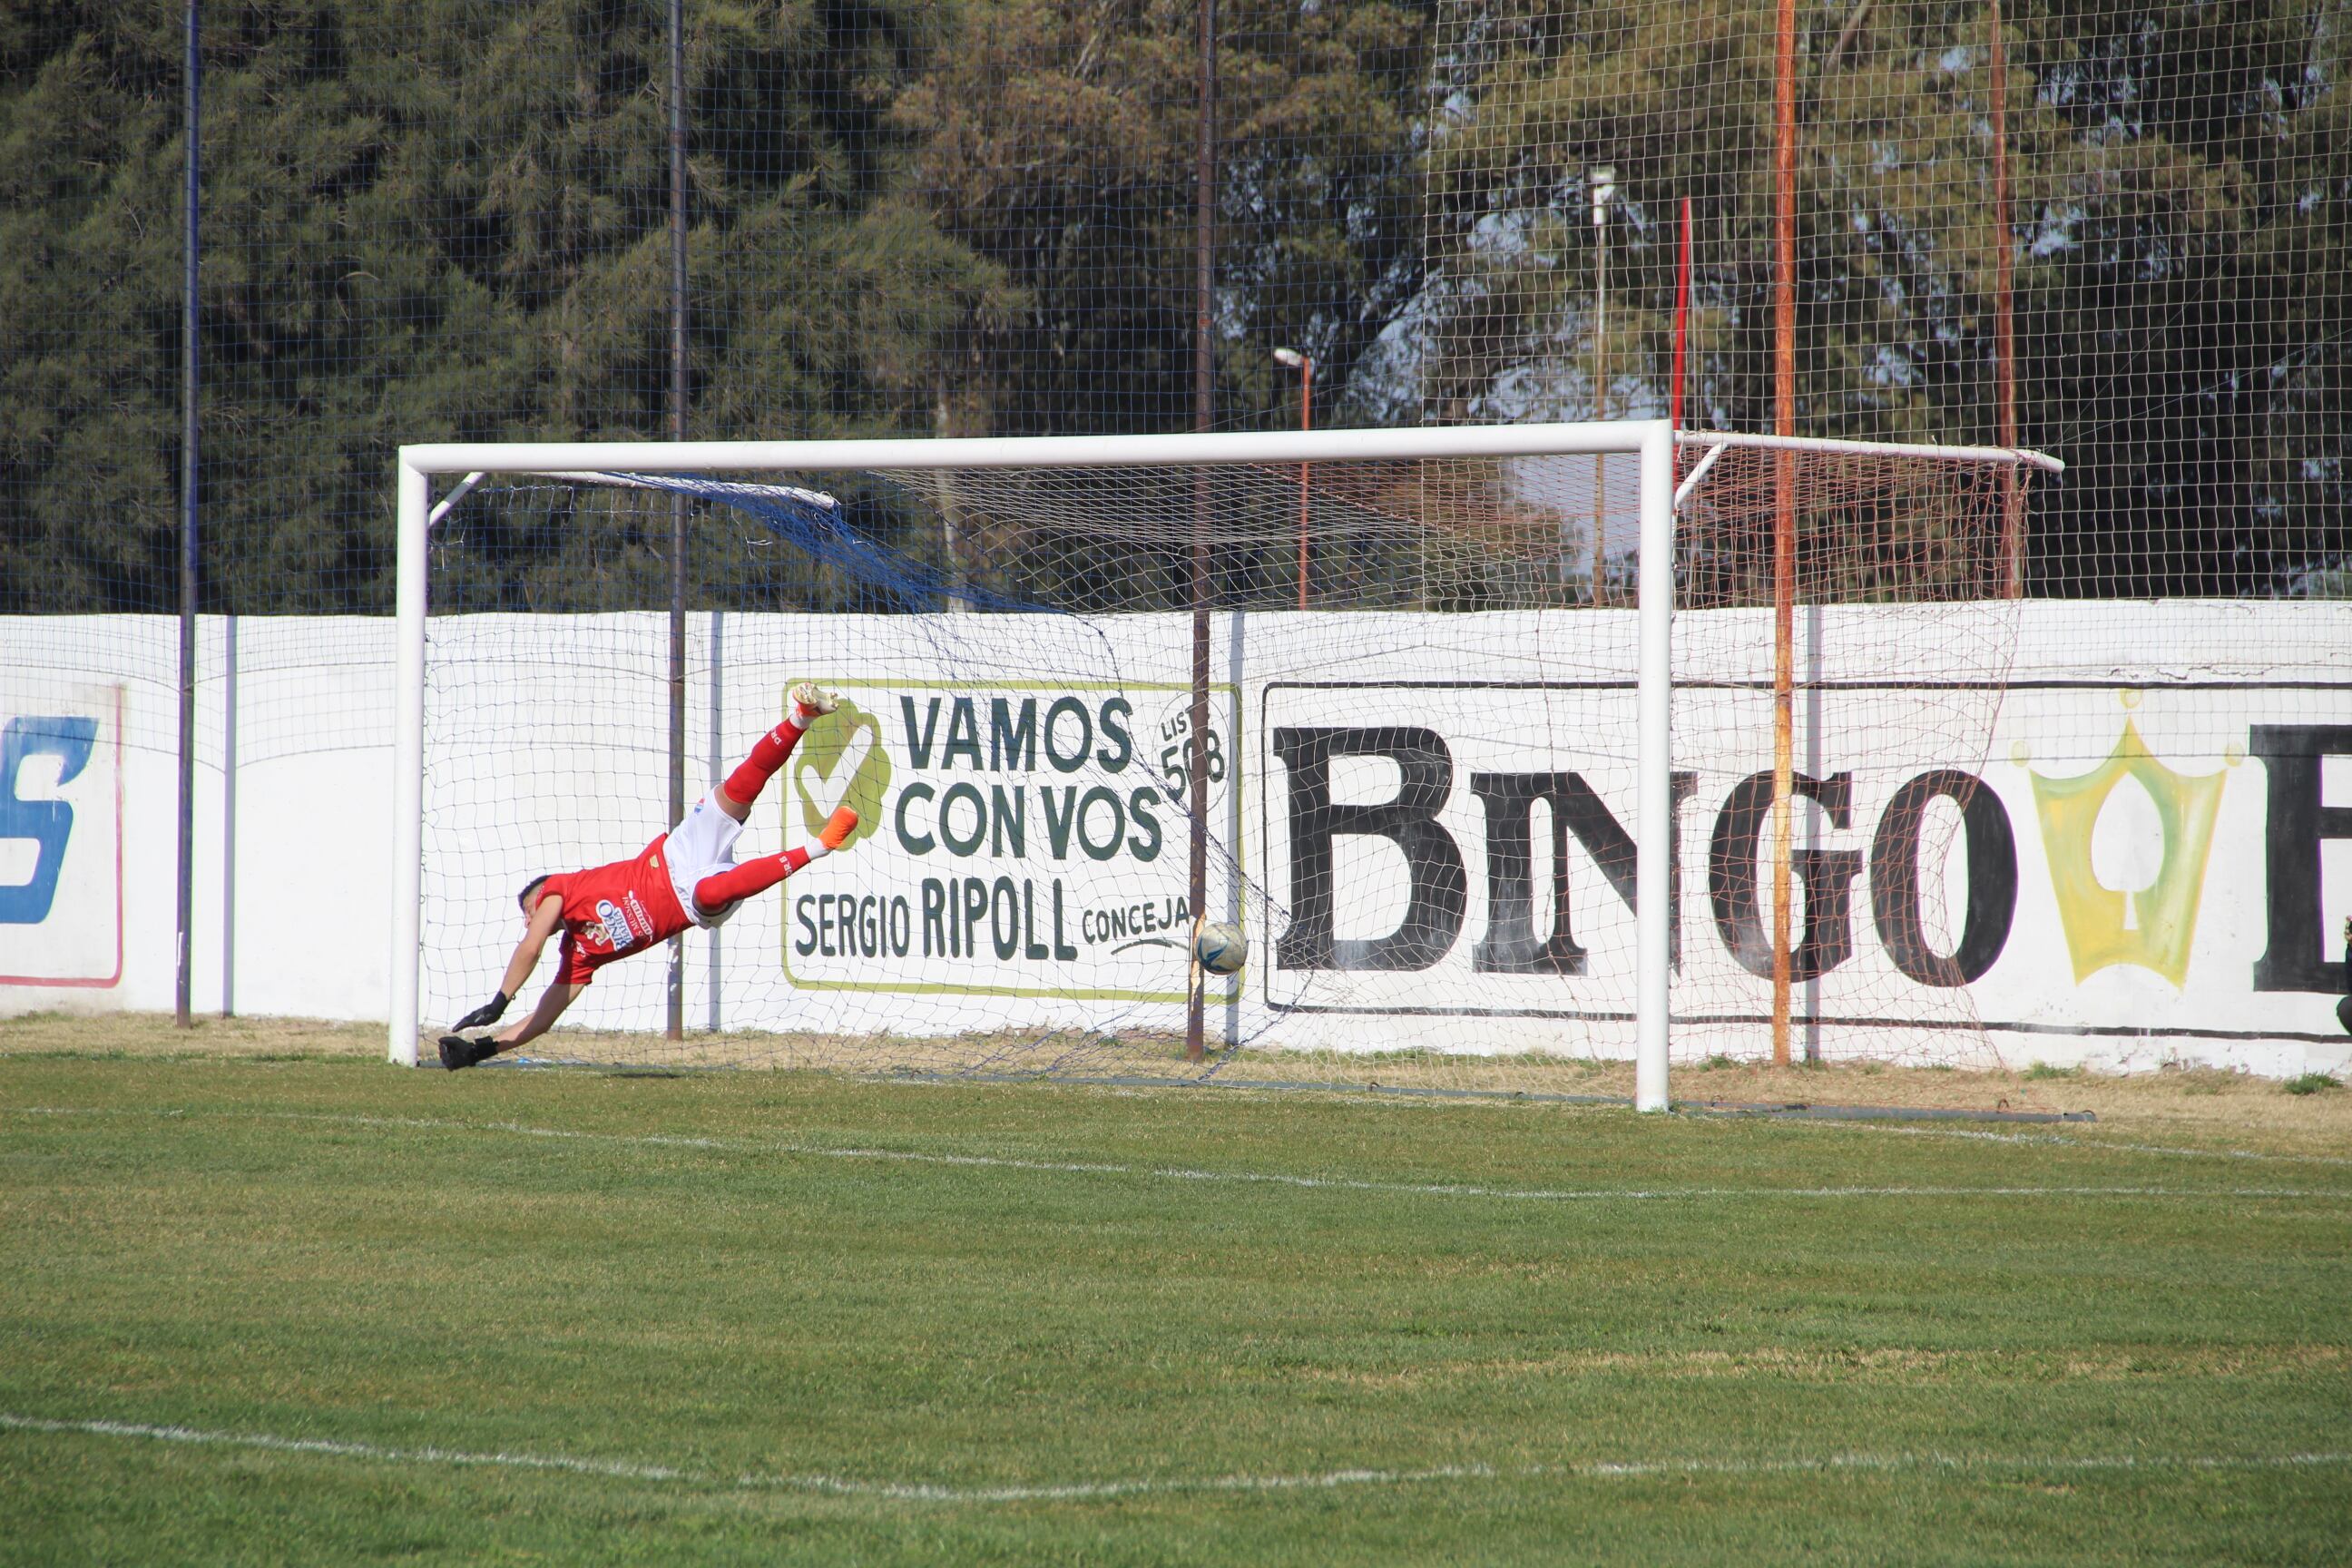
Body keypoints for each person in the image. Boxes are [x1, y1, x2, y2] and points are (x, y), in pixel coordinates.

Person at [438, 681, 856, 1069]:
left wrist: (499, 1000)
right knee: (712, 892)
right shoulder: (581, 954)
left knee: (736, 792)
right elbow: (546, 1015)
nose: (530, 918)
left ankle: (800, 717)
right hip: (687, 901)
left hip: (676, 852)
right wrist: (481, 1049)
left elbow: (531, 945)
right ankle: (819, 846)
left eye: (528, 908)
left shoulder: (560, 890)